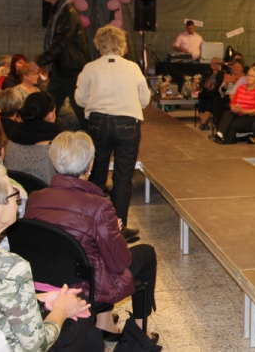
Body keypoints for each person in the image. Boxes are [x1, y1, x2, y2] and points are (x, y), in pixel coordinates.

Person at [24, 132, 158, 343]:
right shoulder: (99, 206)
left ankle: (105, 323)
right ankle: (141, 334)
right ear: (90, 166)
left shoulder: (34, 198)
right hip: (87, 287)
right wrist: (114, 233)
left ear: (54, 162)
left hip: (44, 282)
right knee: (146, 253)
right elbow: (119, 263)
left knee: (94, 252)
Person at [0, 161, 98, 352]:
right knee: (81, 321)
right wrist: (61, 309)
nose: (18, 200)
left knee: (91, 337)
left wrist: (36, 298)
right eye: (13, 194)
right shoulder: (10, 266)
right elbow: (36, 345)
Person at [75, 26, 151, 240]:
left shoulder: (90, 68)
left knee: (96, 173)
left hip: (98, 123)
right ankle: (119, 229)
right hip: (127, 123)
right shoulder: (133, 68)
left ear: (98, 45)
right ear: (122, 45)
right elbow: (144, 99)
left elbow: (80, 99)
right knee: (122, 177)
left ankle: (94, 223)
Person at [36, 0, 90, 130]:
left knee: (81, 110)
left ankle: (95, 143)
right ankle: (41, 135)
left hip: (71, 69)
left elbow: (61, 41)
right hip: (62, 68)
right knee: (47, 106)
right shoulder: (60, 11)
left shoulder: (67, 12)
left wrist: (40, 61)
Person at [212, 66, 255, 145]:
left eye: (252, 76)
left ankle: (227, 145)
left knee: (232, 124)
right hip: (238, 112)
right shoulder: (241, 88)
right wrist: (233, 107)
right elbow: (233, 102)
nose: (248, 77)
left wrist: (244, 111)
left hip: (251, 115)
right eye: (248, 75)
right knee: (226, 114)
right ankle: (220, 135)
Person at [197, 57, 225, 130]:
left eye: (216, 63)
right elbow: (201, 83)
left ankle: (203, 123)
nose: (214, 64)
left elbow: (222, 84)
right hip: (206, 92)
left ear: (219, 64)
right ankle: (204, 123)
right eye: (212, 63)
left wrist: (214, 86)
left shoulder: (222, 74)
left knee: (210, 103)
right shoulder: (207, 73)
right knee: (201, 102)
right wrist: (205, 85)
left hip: (215, 93)